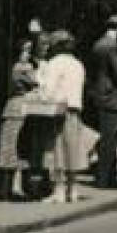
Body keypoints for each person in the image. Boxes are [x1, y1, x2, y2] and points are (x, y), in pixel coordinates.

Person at [37, 30, 87, 204]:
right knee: (73, 149)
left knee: (56, 150)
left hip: (58, 110)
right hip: (75, 109)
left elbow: (48, 90)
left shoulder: (54, 64)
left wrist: (40, 87)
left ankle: (58, 190)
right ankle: (72, 189)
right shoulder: (78, 64)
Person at [84, 15, 117, 188]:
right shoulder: (110, 46)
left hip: (102, 94)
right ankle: (105, 178)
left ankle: (106, 176)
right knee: (109, 138)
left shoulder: (100, 43)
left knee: (108, 137)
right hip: (110, 96)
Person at [0, 39, 40, 201]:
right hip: (20, 108)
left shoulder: (8, 67)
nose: (28, 54)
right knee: (17, 148)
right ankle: (14, 189)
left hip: (11, 107)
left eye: (29, 50)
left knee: (8, 148)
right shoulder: (22, 68)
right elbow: (37, 82)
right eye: (25, 50)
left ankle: (5, 188)